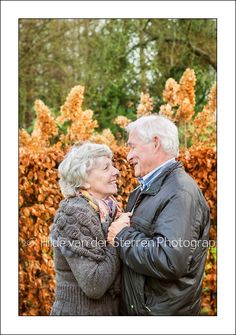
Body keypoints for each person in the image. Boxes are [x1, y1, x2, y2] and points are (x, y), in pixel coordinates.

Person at [107, 114, 210, 316]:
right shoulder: (143, 191)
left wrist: (121, 236)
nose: (128, 156)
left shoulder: (180, 192)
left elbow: (169, 259)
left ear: (155, 143)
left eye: (132, 146)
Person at [50, 142, 130, 316]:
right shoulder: (74, 214)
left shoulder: (107, 211)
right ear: (84, 180)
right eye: (106, 167)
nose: (116, 171)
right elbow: (94, 284)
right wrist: (116, 237)